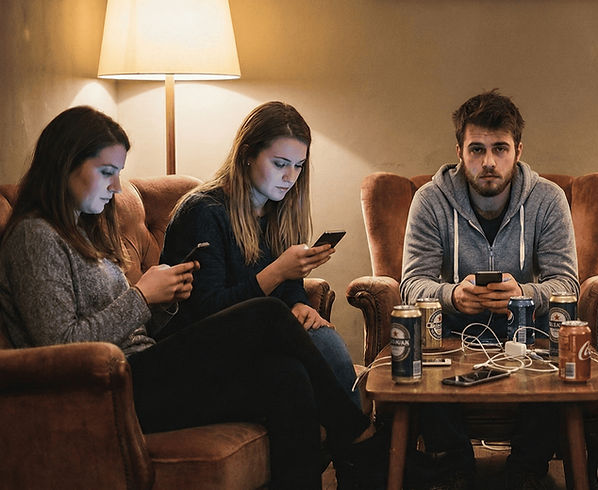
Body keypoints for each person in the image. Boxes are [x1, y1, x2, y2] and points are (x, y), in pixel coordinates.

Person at [0, 106, 385, 490]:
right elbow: (60, 347)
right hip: (108, 390)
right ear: (65, 165)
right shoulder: (35, 238)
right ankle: (355, 435)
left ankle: (351, 449)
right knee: (267, 313)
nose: (117, 187)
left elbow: (135, 326)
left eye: (118, 173)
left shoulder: (84, 231)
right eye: (107, 172)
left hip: (140, 370)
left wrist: (163, 300)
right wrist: (140, 297)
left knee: (287, 377)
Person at [400, 90, 580, 489]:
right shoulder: (430, 200)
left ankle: (527, 469)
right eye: (476, 149)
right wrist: (453, 296)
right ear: (460, 151)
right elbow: (410, 286)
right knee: (420, 359)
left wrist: (525, 294)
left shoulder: (548, 199)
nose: (488, 162)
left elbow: (567, 285)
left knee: (556, 358)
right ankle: (454, 466)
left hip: (525, 334)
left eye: (500, 149)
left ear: (518, 149)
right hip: (450, 336)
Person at [156, 102, 361, 412]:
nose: (290, 176)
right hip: (200, 350)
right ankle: (361, 443)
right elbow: (208, 312)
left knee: (324, 338)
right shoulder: (204, 211)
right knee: (315, 352)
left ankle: (356, 449)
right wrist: (278, 271)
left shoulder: (279, 212)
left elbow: (289, 291)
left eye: (299, 165)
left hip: (258, 337)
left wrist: (300, 306)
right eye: (280, 163)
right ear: (248, 154)